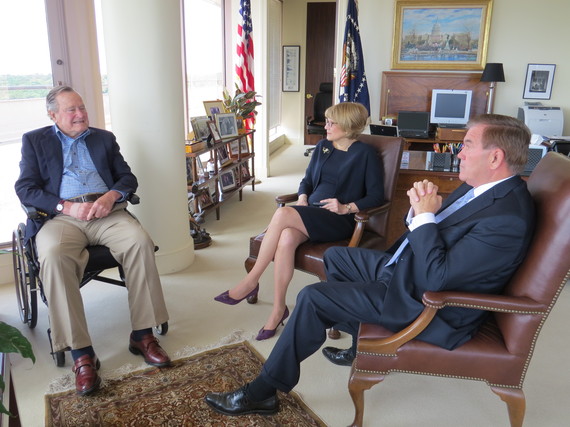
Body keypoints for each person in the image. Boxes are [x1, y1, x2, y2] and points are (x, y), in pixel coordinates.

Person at [204, 114, 535, 416]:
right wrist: (419, 212)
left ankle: (264, 390)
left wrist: (424, 216)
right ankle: (358, 337)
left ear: (495, 158)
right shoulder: (480, 188)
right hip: (407, 271)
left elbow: (439, 276)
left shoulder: (507, 217)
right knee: (337, 257)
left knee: (313, 297)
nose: (459, 152)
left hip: (429, 305)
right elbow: (438, 235)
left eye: (467, 146)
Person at [14, 86, 171, 396]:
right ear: (53, 115)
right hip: (61, 217)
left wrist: (111, 196)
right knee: (54, 255)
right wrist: (65, 206)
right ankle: (81, 353)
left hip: (106, 212)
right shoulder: (35, 141)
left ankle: (142, 334)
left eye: (81, 108)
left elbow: (127, 178)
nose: (80, 114)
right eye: (71, 110)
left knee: (139, 241)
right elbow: (26, 188)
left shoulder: (104, 138)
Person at [213, 102, 384, 341]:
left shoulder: (365, 154)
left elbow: (377, 195)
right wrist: (303, 197)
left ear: (348, 126)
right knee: (285, 237)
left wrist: (347, 207)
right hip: (311, 212)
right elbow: (307, 181)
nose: (326, 126)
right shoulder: (324, 146)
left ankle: (251, 281)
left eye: (332, 122)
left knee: (283, 214)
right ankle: (278, 310)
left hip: (338, 219)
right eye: (327, 121)